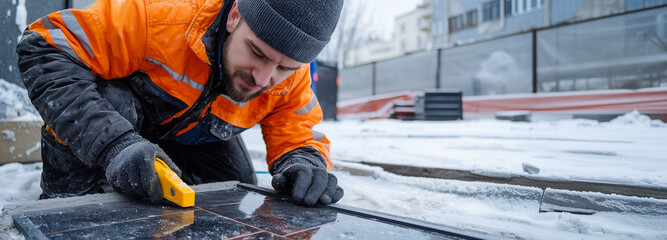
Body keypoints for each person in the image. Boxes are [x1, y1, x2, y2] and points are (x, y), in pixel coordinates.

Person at [16, 0, 344, 207]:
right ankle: (65, 201)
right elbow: (44, 47)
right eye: (257, 52)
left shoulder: (290, 77)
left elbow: (297, 130)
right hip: (120, 123)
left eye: (284, 68)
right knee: (110, 99)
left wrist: (304, 165)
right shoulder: (159, 16)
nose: (262, 78)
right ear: (234, 17)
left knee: (237, 188)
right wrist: (114, 145)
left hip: (190, 137)